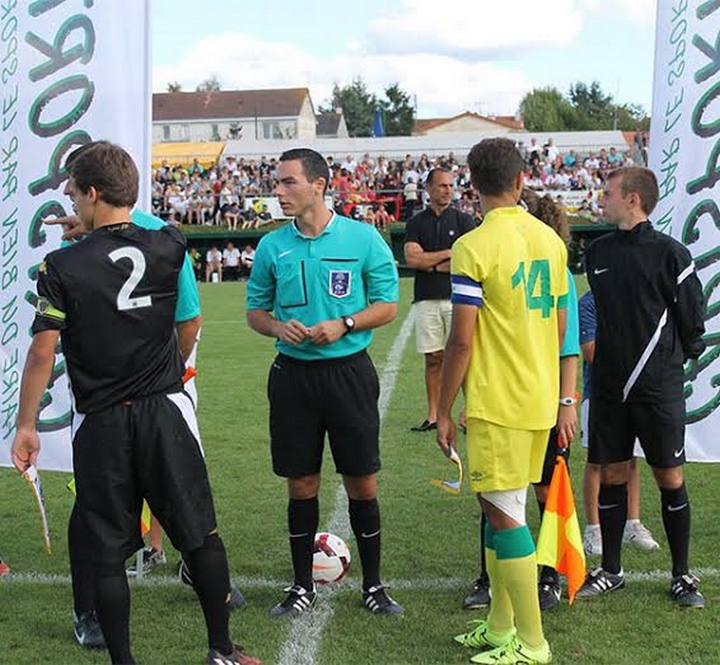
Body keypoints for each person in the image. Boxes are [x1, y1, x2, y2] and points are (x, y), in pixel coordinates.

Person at [11, 141, 259, 665]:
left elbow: (41, 352)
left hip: (103, 420)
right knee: (200, 533)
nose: (73, 205)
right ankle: (222, 649)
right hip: (165, 410)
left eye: (77, 195)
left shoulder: (61, 266)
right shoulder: (170, 245)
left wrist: (26, 424)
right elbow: (136, 256)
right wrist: (97, 234)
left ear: (94, 194)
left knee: (105, 552)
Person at [246, 147, 404, 618]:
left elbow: (388, 305)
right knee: (301, 483)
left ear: (318, 184)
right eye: (277, 183)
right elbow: (255, 311)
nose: (278, 191)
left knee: (363, 481)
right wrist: (277, 327)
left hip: (348, 373)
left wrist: (346, 324)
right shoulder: (272, 246)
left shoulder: (364, 239)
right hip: (292, 377)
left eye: (288, 182)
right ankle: (301, 587)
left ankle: (374, 586)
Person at [438, 138, 568, 665]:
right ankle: (499, 626)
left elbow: (462, 339)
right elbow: (560, 326)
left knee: (503, 515)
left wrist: (441, 409)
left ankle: (532, 643)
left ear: (472, 186)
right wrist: (562, 394)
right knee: (502, 510)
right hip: (538, 397)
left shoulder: (473, 246)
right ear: (520, 182)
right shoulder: (551, 241)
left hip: (498, 400)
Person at [575, 166, 706, 608]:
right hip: (610, 388)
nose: (602, 199)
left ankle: (683, 576)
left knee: (669, 477)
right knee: (611, 474)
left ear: (633, 199)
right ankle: (611, 570)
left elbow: (693, 323)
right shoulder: (598, 252)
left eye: (608, 193)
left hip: (658, 389)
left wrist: (666, 368)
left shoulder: (672, 253)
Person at [578, 289, 660, 555]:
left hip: (635, 393)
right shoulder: (589, 302)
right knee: (597, 462)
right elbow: (592, 354)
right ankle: (593, 529)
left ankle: (632, 524)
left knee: (631, 458)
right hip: (600, 395)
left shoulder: (634, 297)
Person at [404, 168, 475, 432]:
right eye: (442, 185)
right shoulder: (415, 222)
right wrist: (445, 255)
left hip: (460, 298)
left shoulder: (464, 220)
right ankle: (433, 415)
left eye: (450, 185)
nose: (447, 190)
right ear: (429, 188)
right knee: (433, 357)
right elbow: (412, 259)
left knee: (464, 354)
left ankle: (471, 412)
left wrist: (428, 261)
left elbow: (464, 260)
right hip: (426, 298)